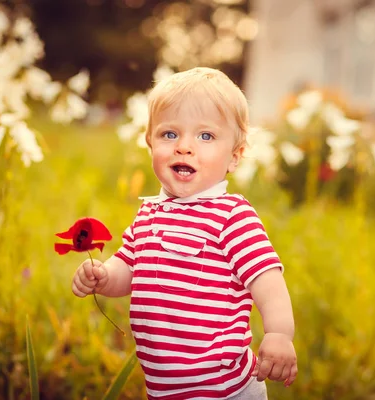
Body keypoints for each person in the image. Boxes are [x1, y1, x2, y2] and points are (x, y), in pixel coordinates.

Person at [71, 67, 297, 400]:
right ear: (150, 144)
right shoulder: (149, 214)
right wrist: (104, 277)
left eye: (205, 136)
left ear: (234, 158)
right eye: (169, 135)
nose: (184, 147)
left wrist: (279, 333)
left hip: (224, 390)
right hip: (164, 389)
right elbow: (129, 270)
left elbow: (267, 280)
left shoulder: (231, 216)